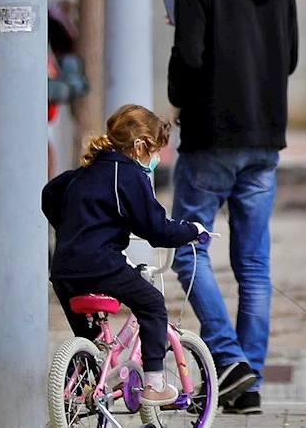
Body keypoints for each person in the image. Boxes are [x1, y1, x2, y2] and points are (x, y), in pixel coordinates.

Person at [167, 0, 299, 415]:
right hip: (265, 138)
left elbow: (190, 59)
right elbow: (288, 59)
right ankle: (249, 384)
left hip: (211, 138)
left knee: (187, 250)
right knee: (253, 266)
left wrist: (178, 96)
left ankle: (227, 358)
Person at [42, 103, 209, 406]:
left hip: (64, 270)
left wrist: (70, 229)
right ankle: (155, 384)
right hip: (100, 265)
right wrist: (192, 231)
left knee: (93, 343)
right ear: (139, 145)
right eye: (154, 151)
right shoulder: (129, 174)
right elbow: (156, 229)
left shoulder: (84, 172)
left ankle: (85, 390)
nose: (155, 159)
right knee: (153, 305)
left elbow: (49, 194)